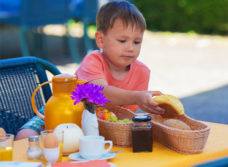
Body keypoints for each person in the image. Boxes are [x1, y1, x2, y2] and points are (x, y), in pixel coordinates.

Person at [16, 0, 164, 140]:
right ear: (100, 40)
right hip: (65, 109)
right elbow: (98, 93)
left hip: (99, 124)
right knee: (26, 136)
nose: (131, 48)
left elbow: (125, 115)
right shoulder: (93, 60)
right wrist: (137, 96)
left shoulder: (142, 72)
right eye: (122, 41)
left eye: (137, 42)